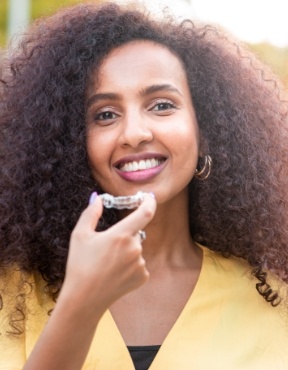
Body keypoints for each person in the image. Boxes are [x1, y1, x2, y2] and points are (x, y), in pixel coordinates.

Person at [0, 2, 288, 369]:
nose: (134, 133)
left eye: (162, 105)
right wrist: (80, 305)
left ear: (206, 128)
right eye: (105, 114)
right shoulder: (13, 294)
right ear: (71, 143)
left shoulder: (274, 303)